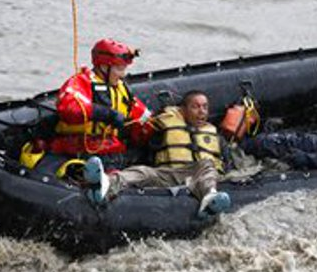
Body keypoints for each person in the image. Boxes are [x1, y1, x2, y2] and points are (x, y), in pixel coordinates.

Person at [83, 90, 232, 218]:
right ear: (183, 110)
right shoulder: (164, 128)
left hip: (198, 175)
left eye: (205, 107)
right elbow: (142, 149)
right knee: (143, 172)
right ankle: (105, 185)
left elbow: (227, 162)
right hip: (167, 174)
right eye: (195, 107)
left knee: (208, 165)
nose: (202, 112)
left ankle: (210, 199)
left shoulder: (216, 135)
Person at [23, 38, 153, 173]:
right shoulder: (81, 82)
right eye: (119, 69)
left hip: (110, 150)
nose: (123, 74)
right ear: (103, 66)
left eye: (124, 69)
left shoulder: (121, 88)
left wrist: (154, 126)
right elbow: (69, 107)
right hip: (77, 148)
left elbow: (141, 115)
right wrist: (107, 114)